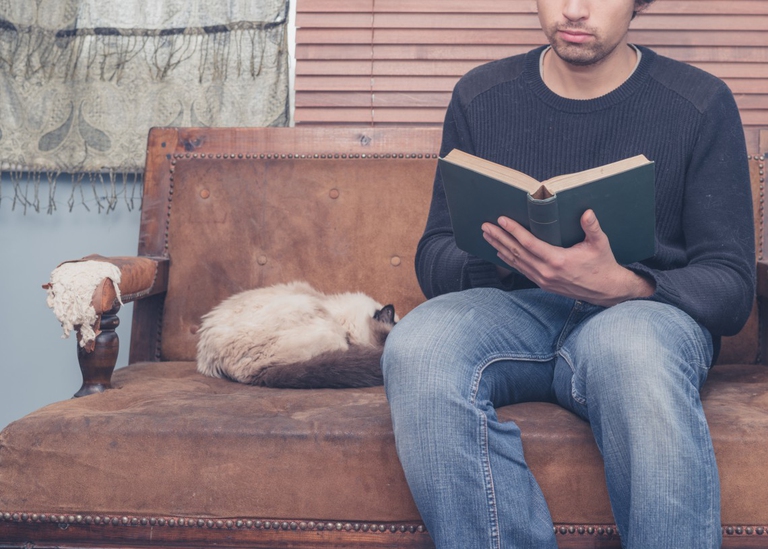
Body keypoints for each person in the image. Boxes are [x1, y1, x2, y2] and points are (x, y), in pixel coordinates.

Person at [381, 0, 755, 547]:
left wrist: (626, 285)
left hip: (641, 316)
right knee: (418, 347)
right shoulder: (481, 95)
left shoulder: (699, 102)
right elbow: (434, 254)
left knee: (633, 352)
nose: (574, 10)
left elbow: (731, 289)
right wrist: (516, 259)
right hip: (513, 309)